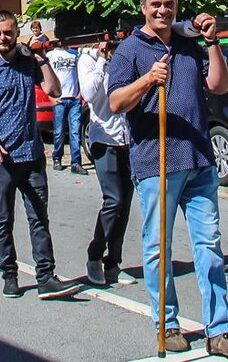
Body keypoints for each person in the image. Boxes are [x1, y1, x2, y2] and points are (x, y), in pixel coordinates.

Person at [108, 0, 228, 358]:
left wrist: (213, 42)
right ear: (144, 7)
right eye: (156, 5)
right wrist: (148, 80)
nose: (163, 11)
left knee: (209, 245)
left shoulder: (189, 44)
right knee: (158, 248)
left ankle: (219, 329)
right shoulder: (129, 50)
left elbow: (218, 86)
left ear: (176, 5)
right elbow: (116, 102)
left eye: (168, 4)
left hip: (199, 159)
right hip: (157, 162)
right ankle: (167, 324)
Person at [0, 10, 79, 300]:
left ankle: (45, 276)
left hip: (32, 155)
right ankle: (9, 274)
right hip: (1, 159)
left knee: (39, 217)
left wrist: (40, 58)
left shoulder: (29, 63)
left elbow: (55, 89)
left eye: (8, 32)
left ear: (17, 33)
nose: (3, 38)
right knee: (4, 219)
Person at [78, 40, 134, 288]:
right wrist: (101, 59)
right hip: (103, 139)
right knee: (114, 200)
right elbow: (89, 93)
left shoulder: (122, 59)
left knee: (125, 204)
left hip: (127, 139)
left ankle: (113, 262)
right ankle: (94, 255)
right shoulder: (87, 60)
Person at [46, 37, 85, 174]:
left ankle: (76, 162)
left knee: (75, 132)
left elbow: (81, 74)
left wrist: (80, 93)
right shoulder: (50, 55)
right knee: (59, 132)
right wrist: (50, 97)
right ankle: (57, 158)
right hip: (59, 99)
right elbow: (44, 78)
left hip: (74, 99)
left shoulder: (75, 54)